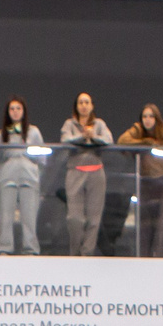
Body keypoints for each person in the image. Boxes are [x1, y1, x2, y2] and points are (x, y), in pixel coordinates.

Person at [118, 103, 163, 257]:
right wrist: (140, 135)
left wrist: (162, 142)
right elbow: (122, 141)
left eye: (151, 116)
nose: (148, 120)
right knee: (144, 226)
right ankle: (144, 258)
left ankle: (162, 258)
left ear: (156, 118)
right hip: (145, 183)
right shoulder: (139, 134)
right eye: (144, 116)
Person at [58, 93, 113, 258]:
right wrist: (83, 137)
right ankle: (75, 253)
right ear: (76, 106)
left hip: (96, 172)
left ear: (92, 106)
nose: (83, 105)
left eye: (87, 102)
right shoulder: (70, 124)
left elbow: (108, 140)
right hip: (75, 171)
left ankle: (87, 253)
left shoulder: (99, 124)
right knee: (74, 218)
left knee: (94, 219)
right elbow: (65, 140)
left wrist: (93, 137)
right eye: (81, 102)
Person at [0, 98, 43, 256]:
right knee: (5, 213)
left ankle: (30, 248)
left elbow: (42, 155)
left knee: (29, 214)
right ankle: (4, 247)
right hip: (7, 174)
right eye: (12, 108)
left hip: (29, 174)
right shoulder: (1, 134)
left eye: (18, 108)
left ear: (23, 111)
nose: (15, 111)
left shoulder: (33, 132)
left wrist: (35, 169)